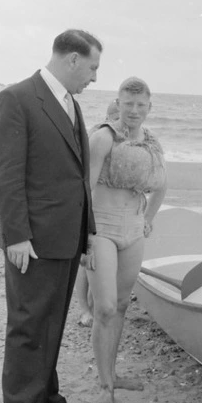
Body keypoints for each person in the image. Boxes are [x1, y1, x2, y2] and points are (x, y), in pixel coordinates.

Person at [0, 29, 103, 403]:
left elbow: (79, 177)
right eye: (92, 67)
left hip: (67, 235)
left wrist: (87, 230)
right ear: (72, 59)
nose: (93, 77)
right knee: (28, 323)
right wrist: (16, 234)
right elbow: (5, 174)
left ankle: (45, 396)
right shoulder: (17, 98)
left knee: (53, 319)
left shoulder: (71, 103)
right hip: (33, 240)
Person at [83, 77, 167, 403]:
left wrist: (149, 217)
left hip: (133, 230)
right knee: (103, 308)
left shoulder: (151, 143)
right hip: (100, 228)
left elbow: (161, 185)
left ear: (149, 106)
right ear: (117, 103)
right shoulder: (102, 137)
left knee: (120, 305)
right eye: (127, 104)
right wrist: (84, 237)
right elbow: (83, 190)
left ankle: (113, 375)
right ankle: (105, 386)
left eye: (140, 105)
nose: (133, 111)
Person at [74, 102, 120, 328]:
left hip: (115, 213)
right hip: (95, 209)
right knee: (87, 263)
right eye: (113, 116)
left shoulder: (127, 139)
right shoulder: (97, 135)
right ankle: (84, 309)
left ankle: (95, 306)